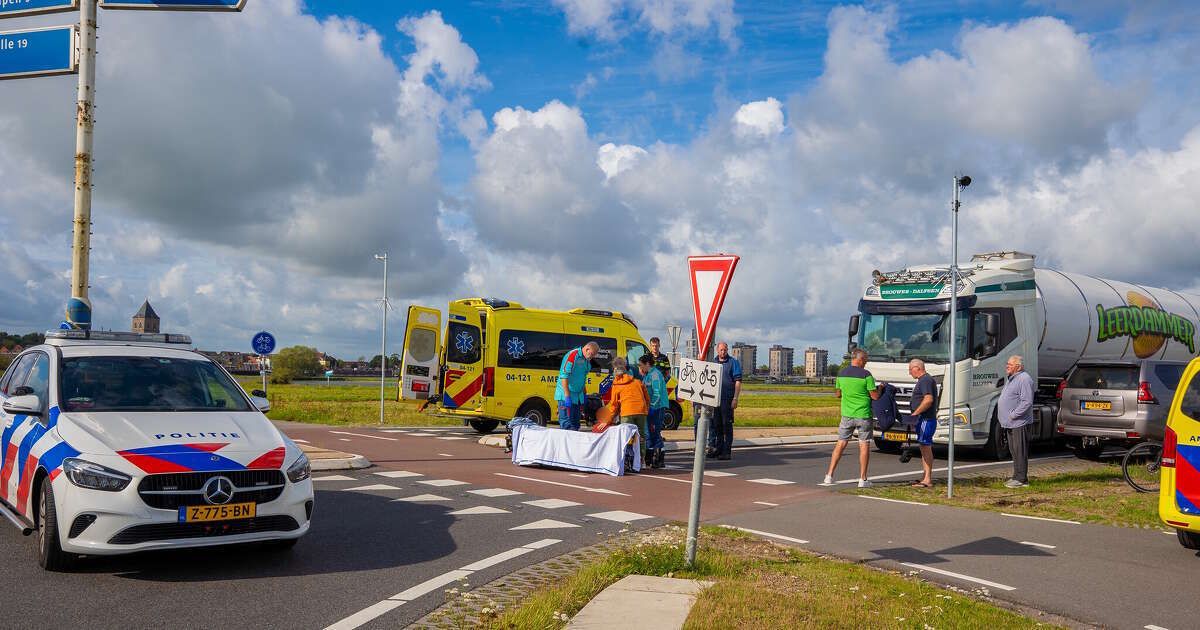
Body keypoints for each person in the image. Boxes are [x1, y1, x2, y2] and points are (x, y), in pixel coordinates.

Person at [823, 348, 880, 487]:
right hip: (863, 415)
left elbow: (838, 394)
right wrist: (881, 388)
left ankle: (829, 476)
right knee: (864, 444)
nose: (866, 363)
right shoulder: (867, 375)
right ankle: (863, 479)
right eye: (865, 360)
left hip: (847, 414)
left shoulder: (841, 374)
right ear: (859, 359)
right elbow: (875, 396)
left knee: (841, 443)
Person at [998, 355, 1035, 488]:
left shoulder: (1024, 379)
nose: (1007, 366)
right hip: (1011, 423)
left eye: (1010, 364)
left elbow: (1027, 402)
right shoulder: (1012, 378)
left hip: (1019, 422)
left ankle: (1021, 479)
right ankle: (1017, 476)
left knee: (1020, 451)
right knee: (1014, 450)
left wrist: (1013, 415)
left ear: (1018, 367)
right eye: (1007, 363)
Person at [608, 358, 650, 464]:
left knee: (627, 436)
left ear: (615, 370)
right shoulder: (637, 381)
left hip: (627, 412)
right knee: (640, 436)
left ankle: (627, 458)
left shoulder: (616, 385)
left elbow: (614, 404)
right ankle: (641, 459)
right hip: (641, 411)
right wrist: (646, 409)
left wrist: (609, 418)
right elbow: (647, 398)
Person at [907, 359, 938, 488]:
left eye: (910, 370)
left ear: (917, 368)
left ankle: (927, 479)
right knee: (923, 447)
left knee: (926, 448)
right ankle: (925, 477)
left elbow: (928, 399)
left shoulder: (925, 380)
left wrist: (916, 413)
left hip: (926, 419)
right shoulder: (924, 380)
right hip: (923, 419)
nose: (909, 373)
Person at [555, 341, 599, 431]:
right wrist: (567, 396)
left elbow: (582, 378)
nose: (592, 357)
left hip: (577, 397)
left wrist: (584, 395)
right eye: (592, 354)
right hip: (565, 396)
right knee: (567, 425)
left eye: (594, 355)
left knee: (575, 424)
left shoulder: (586, 361)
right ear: (587, 349)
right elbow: (564, 376)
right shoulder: (573, 355)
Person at [711, 342, 742, 461]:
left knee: (727, 426)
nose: (723, 352)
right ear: (717, 350)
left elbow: (738, 382)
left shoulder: (733, 362)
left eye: (725, 350)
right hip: (715, 400)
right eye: (721, 350)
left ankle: (727, 451)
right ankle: (718, 449)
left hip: (727, 399)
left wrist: (735, 398)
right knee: (717, 425)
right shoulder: (713, 362)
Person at [639, 354, 669, 468]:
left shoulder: (655, 375)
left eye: (641, 365)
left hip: (657, 407)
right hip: (652, 407)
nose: (640, 367)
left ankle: (659, 458)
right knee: (651, 433)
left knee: (655, 432)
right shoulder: (648, 375)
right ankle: (651, 458)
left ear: (647, 364)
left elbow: (657, 393)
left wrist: (652, 406)